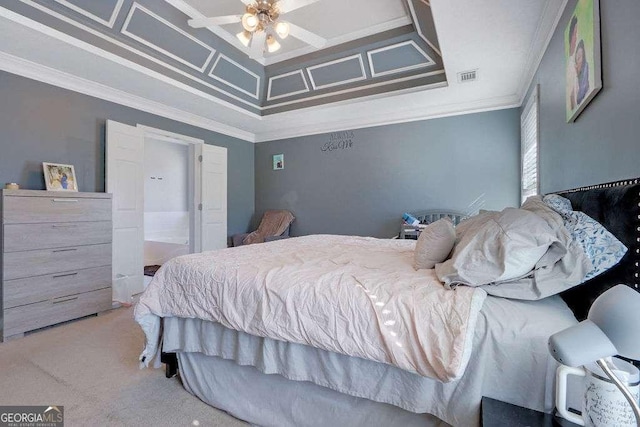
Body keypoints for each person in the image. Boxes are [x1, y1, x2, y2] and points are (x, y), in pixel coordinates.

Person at [566, 16, 579, 111]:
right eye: (575, 34)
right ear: (570, 37)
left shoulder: (575, 61)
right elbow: (571, 97)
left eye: (577, 33)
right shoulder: (570, 67)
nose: (576, 37)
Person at [574, 39, 590, 105]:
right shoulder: (575, 72)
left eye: (579, 57)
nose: (576, 64)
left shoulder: (585, 67)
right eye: (576, 58)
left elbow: (579, 97)